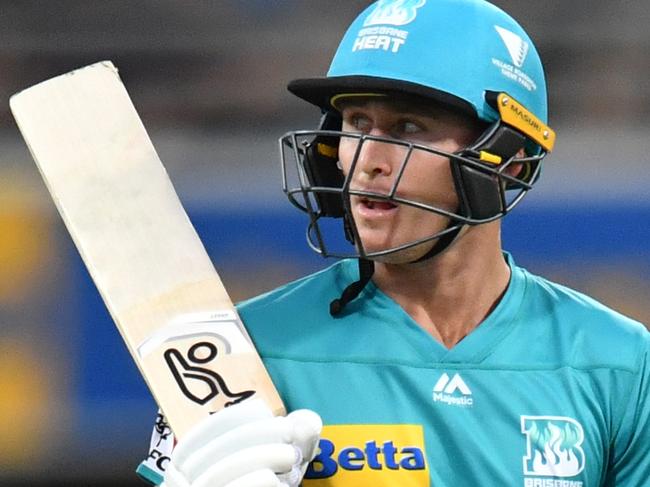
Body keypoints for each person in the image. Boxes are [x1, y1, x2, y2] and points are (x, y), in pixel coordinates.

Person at [137, 0, 650, 485]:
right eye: (357, 123)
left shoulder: (618, 363)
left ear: (507, 162)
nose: (367, 160)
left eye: (408, 129)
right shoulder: (243, 353)